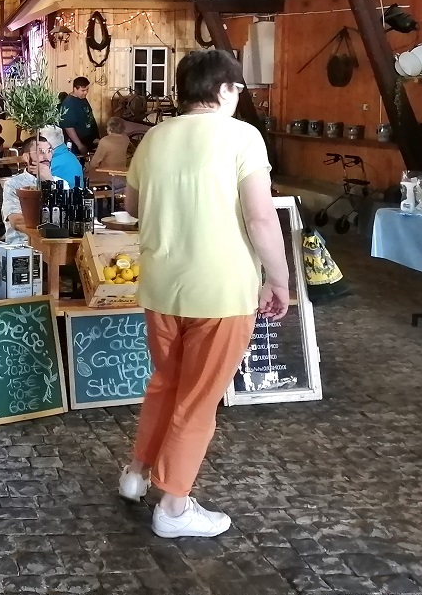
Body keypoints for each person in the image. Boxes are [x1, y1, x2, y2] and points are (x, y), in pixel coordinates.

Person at [119, 49, 289, 539]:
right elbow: (260, 218)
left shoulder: (153, 137)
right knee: (197, 401)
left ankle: (137, 473)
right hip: (220, 289)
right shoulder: (242, 137)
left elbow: (131, 203)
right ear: (226, 89)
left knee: (166, 383)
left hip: (160, 284)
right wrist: (278, 280)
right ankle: (173, 509)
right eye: (239, 89)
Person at [1, 136, 65, 246]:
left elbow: (68, 217)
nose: (46, 157)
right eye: (40, 152)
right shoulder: (13, 184)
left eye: (49, 151)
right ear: (26, 157)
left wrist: (50, 182)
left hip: (55, 244)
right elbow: (16, 221)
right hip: (22, 244)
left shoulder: (61, 183)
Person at [60, 76, 98, 154]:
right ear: (75, 89)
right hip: (77, 143)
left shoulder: (82, 98)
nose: (86, 92)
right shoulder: (69, 103)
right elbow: (68, 127)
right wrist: (80, 145)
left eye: (87, 90)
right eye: (83, 90)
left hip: (88, 139)